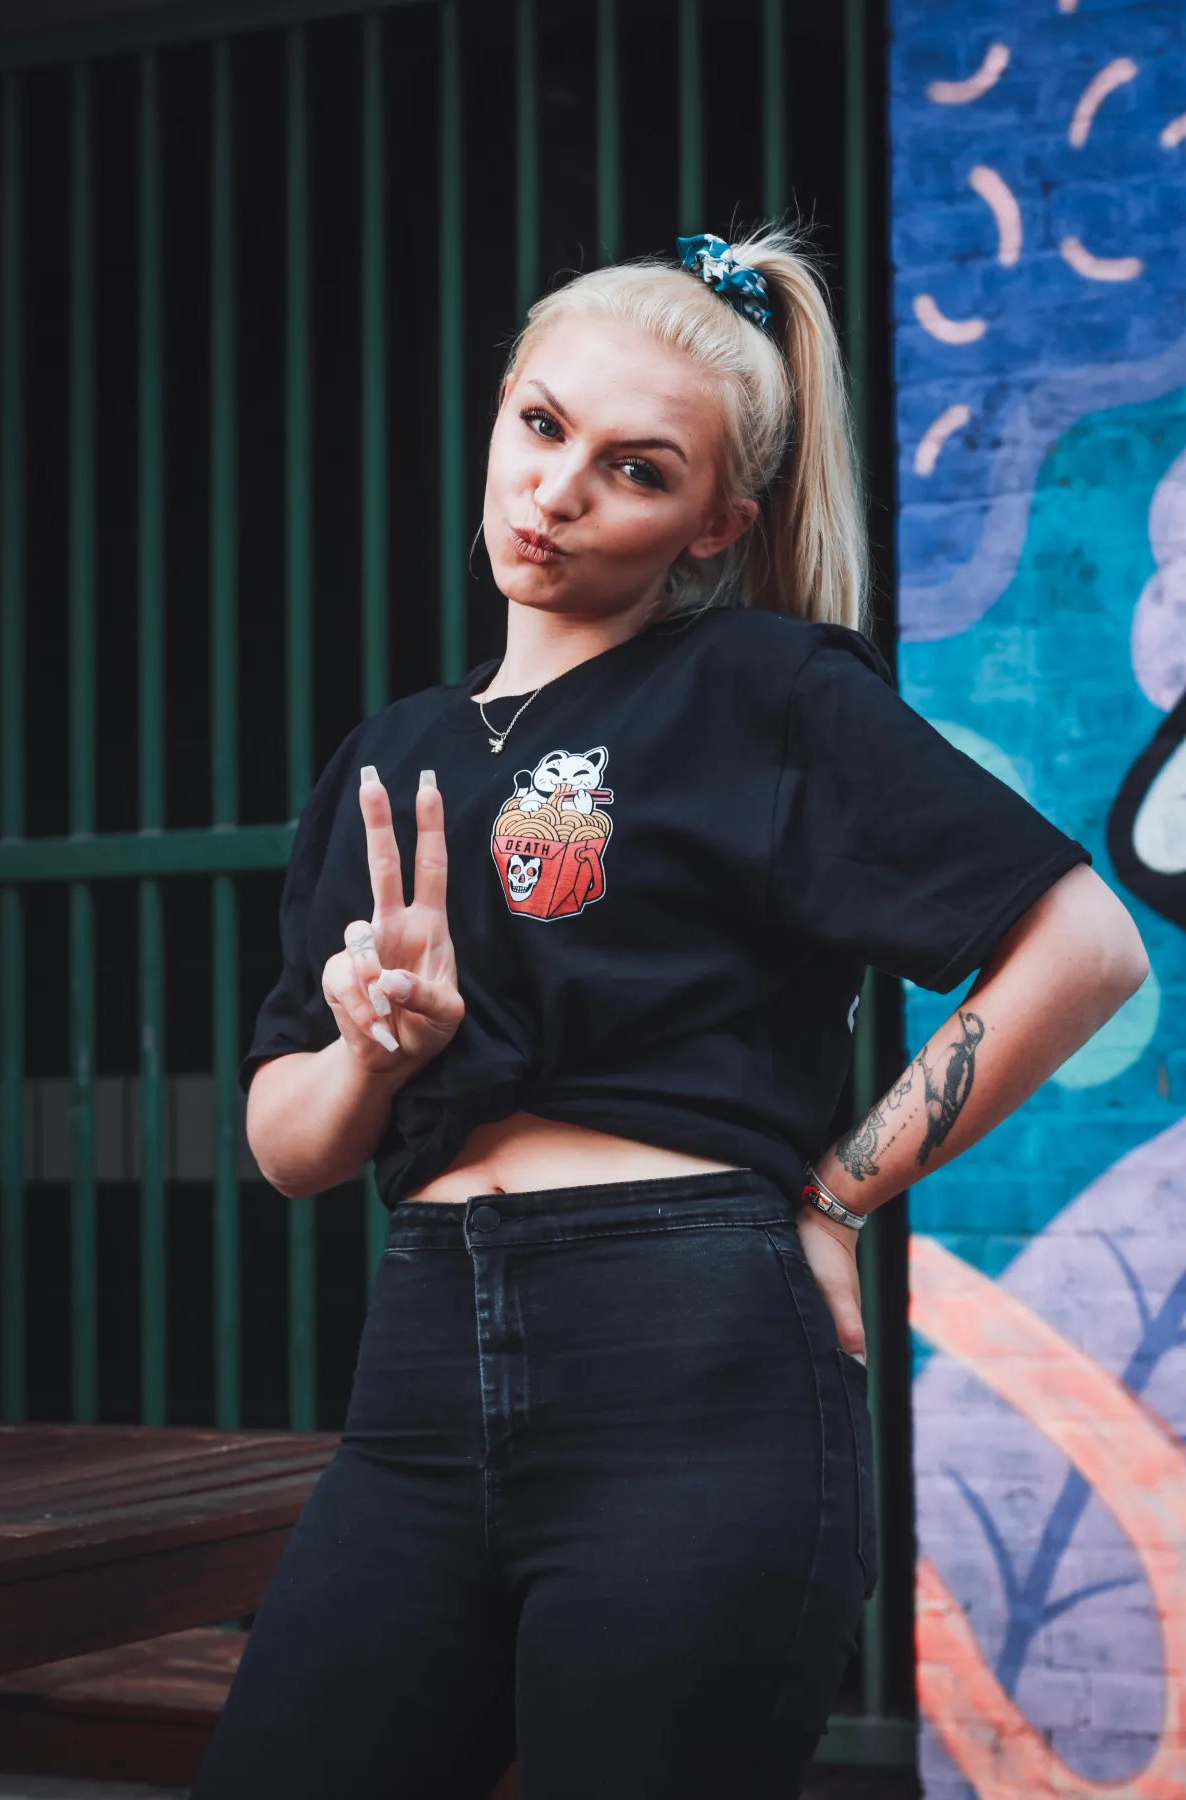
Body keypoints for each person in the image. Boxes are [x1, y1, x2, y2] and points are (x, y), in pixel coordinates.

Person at [190, 227, 1148, 1800]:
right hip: (420, 1372)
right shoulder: (388, 755)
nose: (558, 490)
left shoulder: (767, 690)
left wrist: (839, 1199)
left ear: (715, 526)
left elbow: (1087, 948)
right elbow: (290, 1150)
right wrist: (373, 1049)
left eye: (635, 470)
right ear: (501, 411)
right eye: (542, 425)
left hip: (691, 1365)